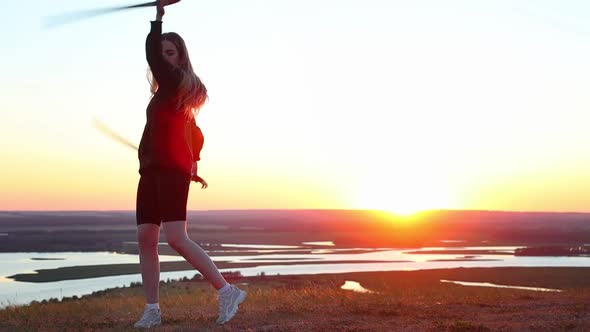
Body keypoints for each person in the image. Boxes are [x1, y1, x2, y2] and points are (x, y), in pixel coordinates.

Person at [133, 0, 247, 328]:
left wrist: (157, 16)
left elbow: (151, 53)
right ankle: (152, 310)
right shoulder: (168, 95)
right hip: (153, 171)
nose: (164, 58)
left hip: (169, 171)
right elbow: (195, 133)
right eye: (163, 53)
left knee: (176, 237)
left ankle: (227, 291)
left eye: (170, 53)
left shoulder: (173, 85)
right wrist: (194, 162)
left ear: (180, 57)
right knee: (145, 238)